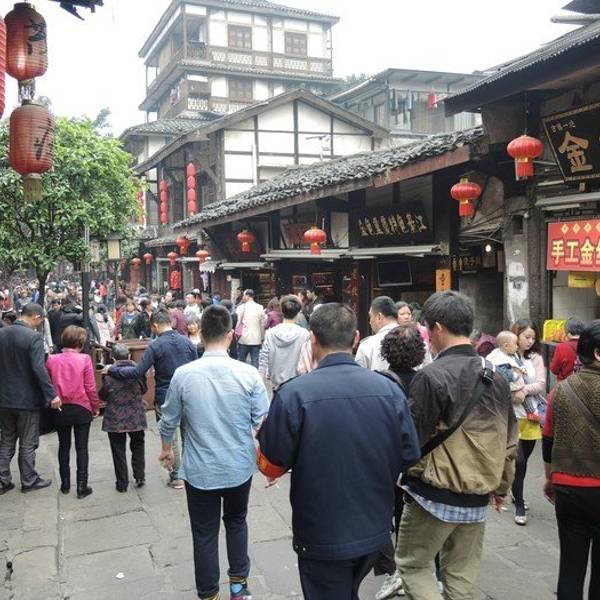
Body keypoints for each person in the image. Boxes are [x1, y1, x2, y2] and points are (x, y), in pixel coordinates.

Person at [258, 303, 420, 600]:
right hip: (374, 526)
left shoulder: (294, 394)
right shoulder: (389, 390)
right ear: (355, 337)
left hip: (321, 530)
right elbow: (409, 455)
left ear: (312, 339)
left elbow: (270, 464)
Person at [395, 291, 517, 599]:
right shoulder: (496, 377)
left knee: (412, 566)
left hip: (433, 495)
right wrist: (502, 487)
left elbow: (410, 441)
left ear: (437, 328)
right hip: (478, 496)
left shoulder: (431, 376)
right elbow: (508, 442)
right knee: (461, 577)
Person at [158, 305, 269, 600]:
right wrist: (271, 462)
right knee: (236, 521)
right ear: (231, 335)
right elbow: (263, 422)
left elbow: (168, 419)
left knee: (204, 533)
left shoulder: (183, 375)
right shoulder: (249, 374)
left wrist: (167, 448)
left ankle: (209, 595)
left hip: (200, 470)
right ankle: (239, 588)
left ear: (202, 335)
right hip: (238, 466)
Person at [542, 320, 600, 600]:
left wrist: (549, 478)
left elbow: (548, 439)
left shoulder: (560, 391)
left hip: (567, 488)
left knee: (570, 568)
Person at [107, 309, 197, 489]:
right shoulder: (187, 342)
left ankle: (176, 476)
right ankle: (190, 473)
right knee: (188, 435)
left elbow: (137, 371)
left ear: (155, 325)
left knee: (170, 437)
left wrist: (113, 369)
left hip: (166, 396)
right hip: (189, 394)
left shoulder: (156, 346)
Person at [376, 324, 427, 599]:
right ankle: (409, 565)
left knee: (383, 513)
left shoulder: (378, 382)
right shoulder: (427, 381)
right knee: (407, 513)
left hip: (385, 460)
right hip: (417, 458)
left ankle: (391, 569)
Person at [0, 303, 61, 494]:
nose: (40, 323)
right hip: (26, 400)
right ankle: (29, 480)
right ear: (36, 317)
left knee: (7, 440)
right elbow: (38, 368)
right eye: (41, 320)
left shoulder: (2, 333)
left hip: (4, 398)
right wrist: (51, 394)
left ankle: (2, 480)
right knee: (28, 441)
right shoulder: (33, 337)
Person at [46, 325, 99, 498]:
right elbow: (90, 387)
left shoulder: (51, 360)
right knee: (82, 447)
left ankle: (65, 484)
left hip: (60, 408)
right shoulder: (84, 359)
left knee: (63, 446)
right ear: (80, 342)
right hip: (81, 406)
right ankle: (82, 486)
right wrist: (95, 407)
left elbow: (47, 384)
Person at [510, 318, 546, 526]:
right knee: (520, 462)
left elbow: (540, 384)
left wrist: (521, 389)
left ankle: (515, 491)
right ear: (516, 335)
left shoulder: (536, 358)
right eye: (526, 337)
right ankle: (519, 504)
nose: (530, 341)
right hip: (512, 416)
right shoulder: (504, 356)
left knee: (524, 461)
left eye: (533, 337)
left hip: (531, 417)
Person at [100, 344, 148, 492]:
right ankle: (139, 477)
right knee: (138, 446)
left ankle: (122, 484)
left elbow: (104, 394)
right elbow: (144, 389)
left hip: (115, 417)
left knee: (118, 450)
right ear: (129, 356)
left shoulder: (108, 374)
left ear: (113, 359)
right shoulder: (138, 371)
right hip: (136, 415)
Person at [259, 295, 310, 389]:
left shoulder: (271, 333)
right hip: (297, 382)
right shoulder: (305, 334)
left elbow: (264, 358)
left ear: (282, 310)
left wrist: (261, 380)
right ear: (298, 312)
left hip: (276, 383)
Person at [488, 331, 540, 422]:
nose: (517, 346)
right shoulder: (498, 358)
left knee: (528, 391)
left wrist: (522, 368)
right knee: (524, 397)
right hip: (512, 387)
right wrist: (516, 376)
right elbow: (504, 373)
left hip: (520, 383)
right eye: (515, 344)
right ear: (506, 346)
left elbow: (518, 362)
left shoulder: (512, 354)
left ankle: (534, 407)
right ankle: (530, 411)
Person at [355, 296, 399, 370]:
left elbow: (359, 374)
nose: (370, 322)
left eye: (371, 317)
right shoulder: (413, 340)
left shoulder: (368, 345)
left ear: (379, 317)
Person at [550, 317, 585, 381]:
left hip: (565, 384)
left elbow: (554, 370)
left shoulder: (561, 347)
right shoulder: (589, 345)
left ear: (568, 333)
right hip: (585, 383)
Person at [235, 289, 264, 369]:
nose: (243, 297)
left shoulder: (241, 307)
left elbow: (237, 322)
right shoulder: (260, 307)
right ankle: (255, 375)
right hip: (256, 338)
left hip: (243, 338)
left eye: (244, 295)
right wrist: (262, 337)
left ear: (247, 296)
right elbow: (262, 324)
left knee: (241, 361)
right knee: (255, 360)